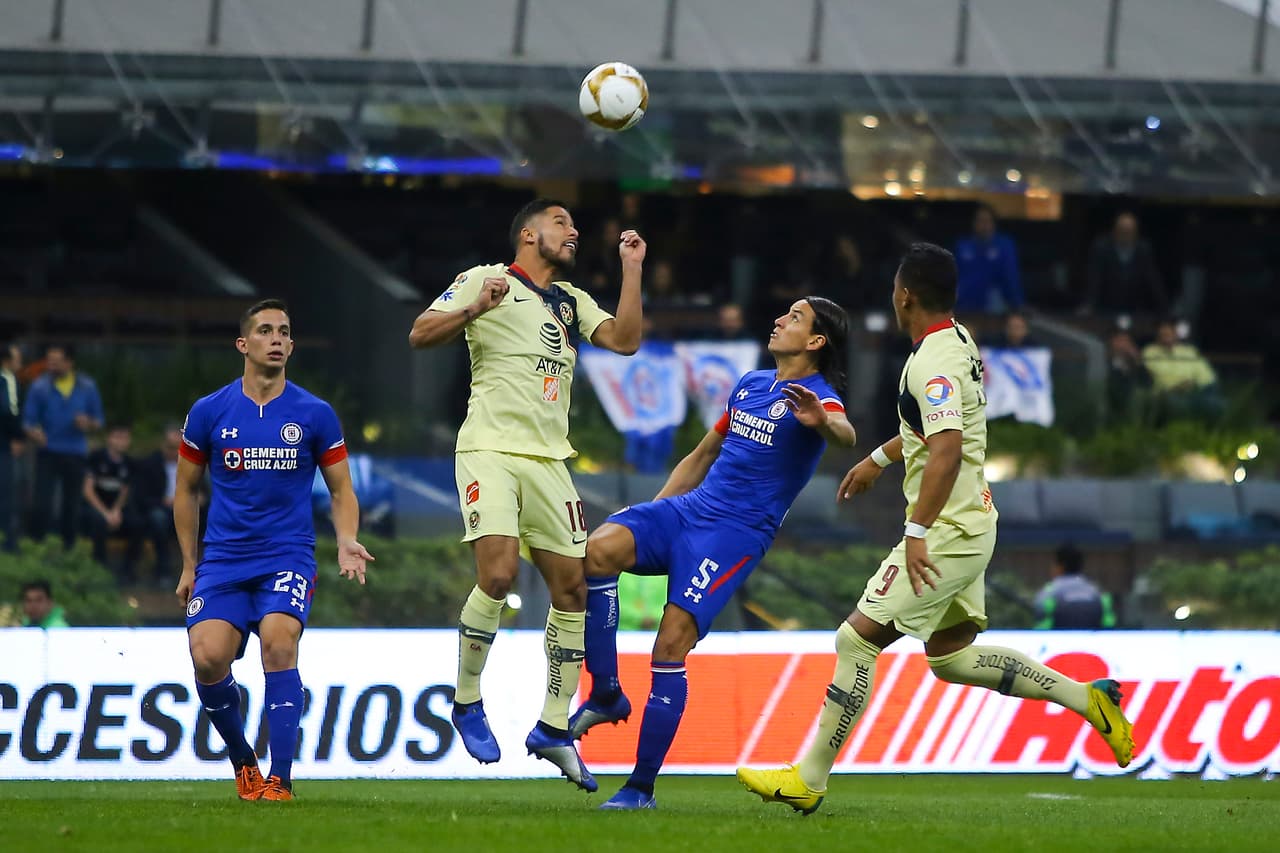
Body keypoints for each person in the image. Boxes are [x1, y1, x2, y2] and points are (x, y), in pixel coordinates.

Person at [737, 244, 1134, 815]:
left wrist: (918, 531)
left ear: (905, 297)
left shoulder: (931, 363)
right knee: (949, 657)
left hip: (948, 528)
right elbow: (934, 429)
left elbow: (946, 449)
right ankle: (1088, 699)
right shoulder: (958, 341)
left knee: (856, 639)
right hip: (973, 521)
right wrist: (878, 459)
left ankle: (809, 778)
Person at [571, 296, 857, 809]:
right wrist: (655, 513)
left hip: (733, 537)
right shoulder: (750, 384)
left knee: (670, 645)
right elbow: (703, 453)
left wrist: (822, 421)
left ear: (816, 341)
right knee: (597, 550)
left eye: (794, 317)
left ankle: (640, 788)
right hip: (689, 511)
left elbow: (845, 433)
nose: (779, 319)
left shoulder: (818, 396)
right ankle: (606, 692)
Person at [408, 199, 645, 792]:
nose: (574, 231)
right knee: (498, 574)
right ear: (529, 234)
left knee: (573, 589)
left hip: (550, 461)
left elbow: (625, 340)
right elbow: (419, 334)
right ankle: (466, 700)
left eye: (574, 224)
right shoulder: (484, 280)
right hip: (489, 449)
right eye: (562, 222)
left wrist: (632, 269)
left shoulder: (571, 300)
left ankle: (553, 725)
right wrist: (474, 310)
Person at [176, 299, 373, 802]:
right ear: (243, 344)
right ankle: (244, 760)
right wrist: (189, 564)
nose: (277, 339)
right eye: (265, 331)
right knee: (207, 658)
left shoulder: (314, 414)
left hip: (287, 554)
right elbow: (186, 490)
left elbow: (342, 489)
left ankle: (280, 779)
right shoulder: (209, 411)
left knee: (280, 643)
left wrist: (346, 539)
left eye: (284, 331)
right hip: (223, 559)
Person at [23, 344, 103, 548]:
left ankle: (69, 550)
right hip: (48, 451)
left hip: (75, 452)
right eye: (49, 361)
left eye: (56, 362)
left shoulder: (87, 386)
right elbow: (28, 421)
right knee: (42, 504)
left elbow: (98, 421)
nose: (51, 366)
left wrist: (87, 423)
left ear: (69, 362)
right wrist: (34, 432)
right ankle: (37, 548)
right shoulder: (39, 387)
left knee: (72, 506)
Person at [83, 423, 145, 581]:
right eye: (118, 437)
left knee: (138, 524)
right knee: (98, 522)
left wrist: (116, 510)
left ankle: (128, 570)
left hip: (116, 510)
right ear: (109, 438)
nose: (121, 441)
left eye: (125, 438)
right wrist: (105, 513)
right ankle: (99, 568)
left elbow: (125, 491)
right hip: (95, 508)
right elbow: (88, 490)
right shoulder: (96, 458)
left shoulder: (129, 463)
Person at [1084, 212, 1167, 315]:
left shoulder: (1143, 250)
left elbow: (1153, 280)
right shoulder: (1102, 249)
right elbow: (1094, 280)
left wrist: (1164, 309)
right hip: (1106, 307)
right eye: (1122, 231)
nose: (1125, 235)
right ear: (1114, 231)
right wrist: (1089, 305)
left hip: (1135, 308)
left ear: (1136, 233)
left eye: (1129, 232)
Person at [132, 424, 186, 581]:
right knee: (158, 519)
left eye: (179, 447)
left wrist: (199, 498)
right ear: (163, 444)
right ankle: (163, 570)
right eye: (171, 447)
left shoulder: (190, 463)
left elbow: (203, 493)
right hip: (161, 510)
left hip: (187, 510)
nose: (175, 451)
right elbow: (141, 497)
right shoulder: (150, 464)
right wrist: (164, 501)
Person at [954, 205, 1024, 314]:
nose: (984, 225)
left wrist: (1017, 304)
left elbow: (1011, 276)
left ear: (994, 223)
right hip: (965, 304)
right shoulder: (962, 246)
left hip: (993, 306)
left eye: (987, 221)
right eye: (980, 221)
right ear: (974, 223)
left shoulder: (1004, 245)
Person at [1034, 544, 1115, 630]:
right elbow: (1109, 625)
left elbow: (1041, 628)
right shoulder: (1097, 592)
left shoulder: (1049, 592)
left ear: (1060, 566)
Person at [0, 342, 23, 550]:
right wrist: (18, 437)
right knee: (5, 496)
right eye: (17, 359)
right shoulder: (7, 379)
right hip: (3, 445)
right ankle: (7, 544)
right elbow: (10, 410)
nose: (20, 364)